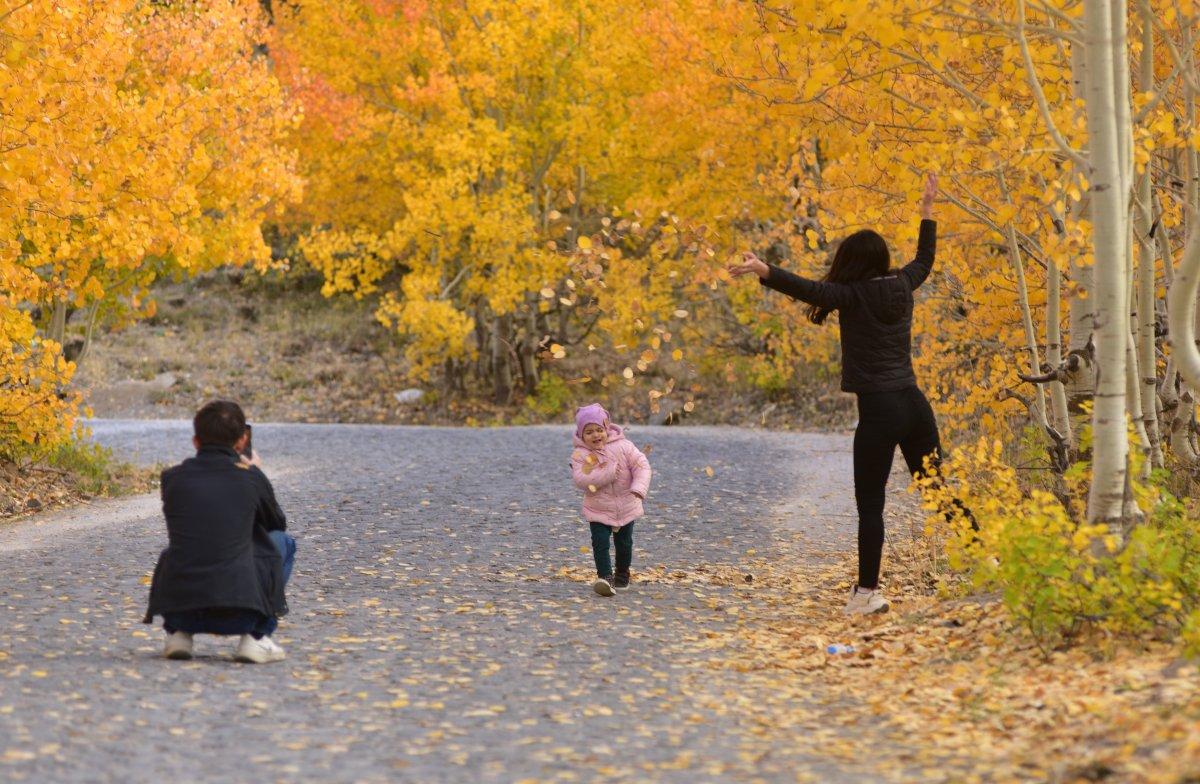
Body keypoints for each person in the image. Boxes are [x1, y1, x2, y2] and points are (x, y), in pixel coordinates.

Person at [729, 173, 970, 615]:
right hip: (915, 404)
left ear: (851, 262)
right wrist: (927, 211)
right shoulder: (902, 284)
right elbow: (925, 259)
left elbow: (808, 288)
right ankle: (988, 558)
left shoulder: (851, 294)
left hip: (879, 410)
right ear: (882, 259)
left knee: (871, 506)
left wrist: (764, 270)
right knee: (937, 489)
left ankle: (866, 594)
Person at [143, 400, 296, 662]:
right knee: (282, 542)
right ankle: (256, 637)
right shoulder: (250, 477)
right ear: (242, 439)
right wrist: (254, 472)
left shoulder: (173, 478)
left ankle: (179, 633)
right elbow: (275, 525)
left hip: (182, 608)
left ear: (195, 441)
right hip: (241, 612)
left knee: (179, 548)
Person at [570, 404, 652, 597]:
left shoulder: (624, 446)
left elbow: (642, 466)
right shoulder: (581, 455)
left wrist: (639, 487)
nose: (596, 435)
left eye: (599, 430)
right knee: (600, 542)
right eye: (589, 432)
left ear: (607, 428)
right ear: (581, 435)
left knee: (624, 543)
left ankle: (622, 574)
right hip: (598, 508)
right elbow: (581, 479)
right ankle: (605, 578)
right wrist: (606, 473)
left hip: (626, 504)